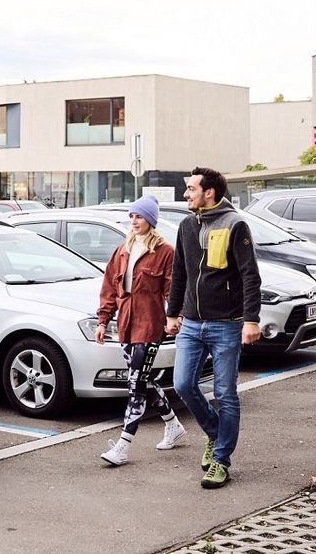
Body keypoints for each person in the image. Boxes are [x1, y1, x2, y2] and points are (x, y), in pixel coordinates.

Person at [165, 167, 261, 489]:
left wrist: (251, 319)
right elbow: (180, 273)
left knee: (225, 393)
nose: (186, 194)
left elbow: (250, 275)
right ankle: (214, 432)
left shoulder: (235, 224)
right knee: (182, 385)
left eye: (191, 189)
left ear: (209, 193)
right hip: (192, 323)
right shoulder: (186, 226)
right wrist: (172, 313)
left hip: (227, 325)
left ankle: (220, 460)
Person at [95, 194, 187, 466]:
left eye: (140, 216)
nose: (135, 221)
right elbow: (110, 289)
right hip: (126, 324)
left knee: (135, 383)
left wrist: (175, 317)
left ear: (151, 220)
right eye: (132, 216)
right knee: (143, 380)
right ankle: (173, 424)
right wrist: (103, 320)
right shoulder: (123, 249)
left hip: (150, 325)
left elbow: (173, 289)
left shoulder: (164, 252)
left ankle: (122, 446)